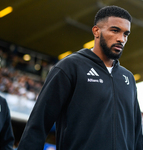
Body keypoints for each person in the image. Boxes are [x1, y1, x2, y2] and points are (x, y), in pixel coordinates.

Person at [17, 6, 142, 150]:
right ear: (96, 31)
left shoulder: (128, 78)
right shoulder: (70, 66)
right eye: (115, 30)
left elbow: (137, 133)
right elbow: (38, 124)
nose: (121, 39)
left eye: (126, 34)